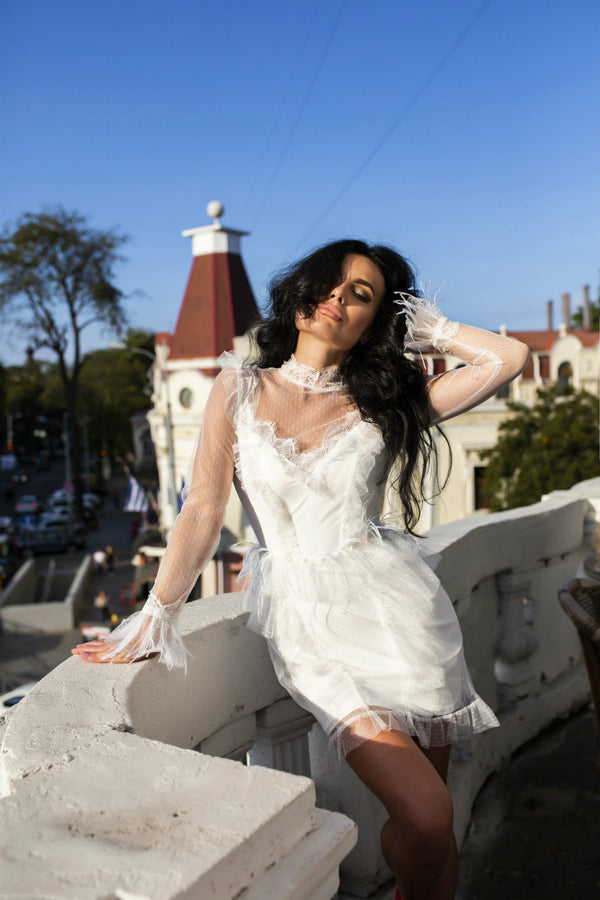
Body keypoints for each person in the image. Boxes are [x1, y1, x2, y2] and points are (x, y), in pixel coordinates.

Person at [72, 240, 529, 900]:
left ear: (374, 324)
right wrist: (157, 614)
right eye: (331, 281)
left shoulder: (387, 402)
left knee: (430, 827)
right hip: (311, 627)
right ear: (302, 293)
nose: (339, 297)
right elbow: (202, 509)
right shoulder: (238, 388)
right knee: (429, 815)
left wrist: (431, 328)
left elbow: (508, 359)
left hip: (403, 618)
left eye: (362, 295)